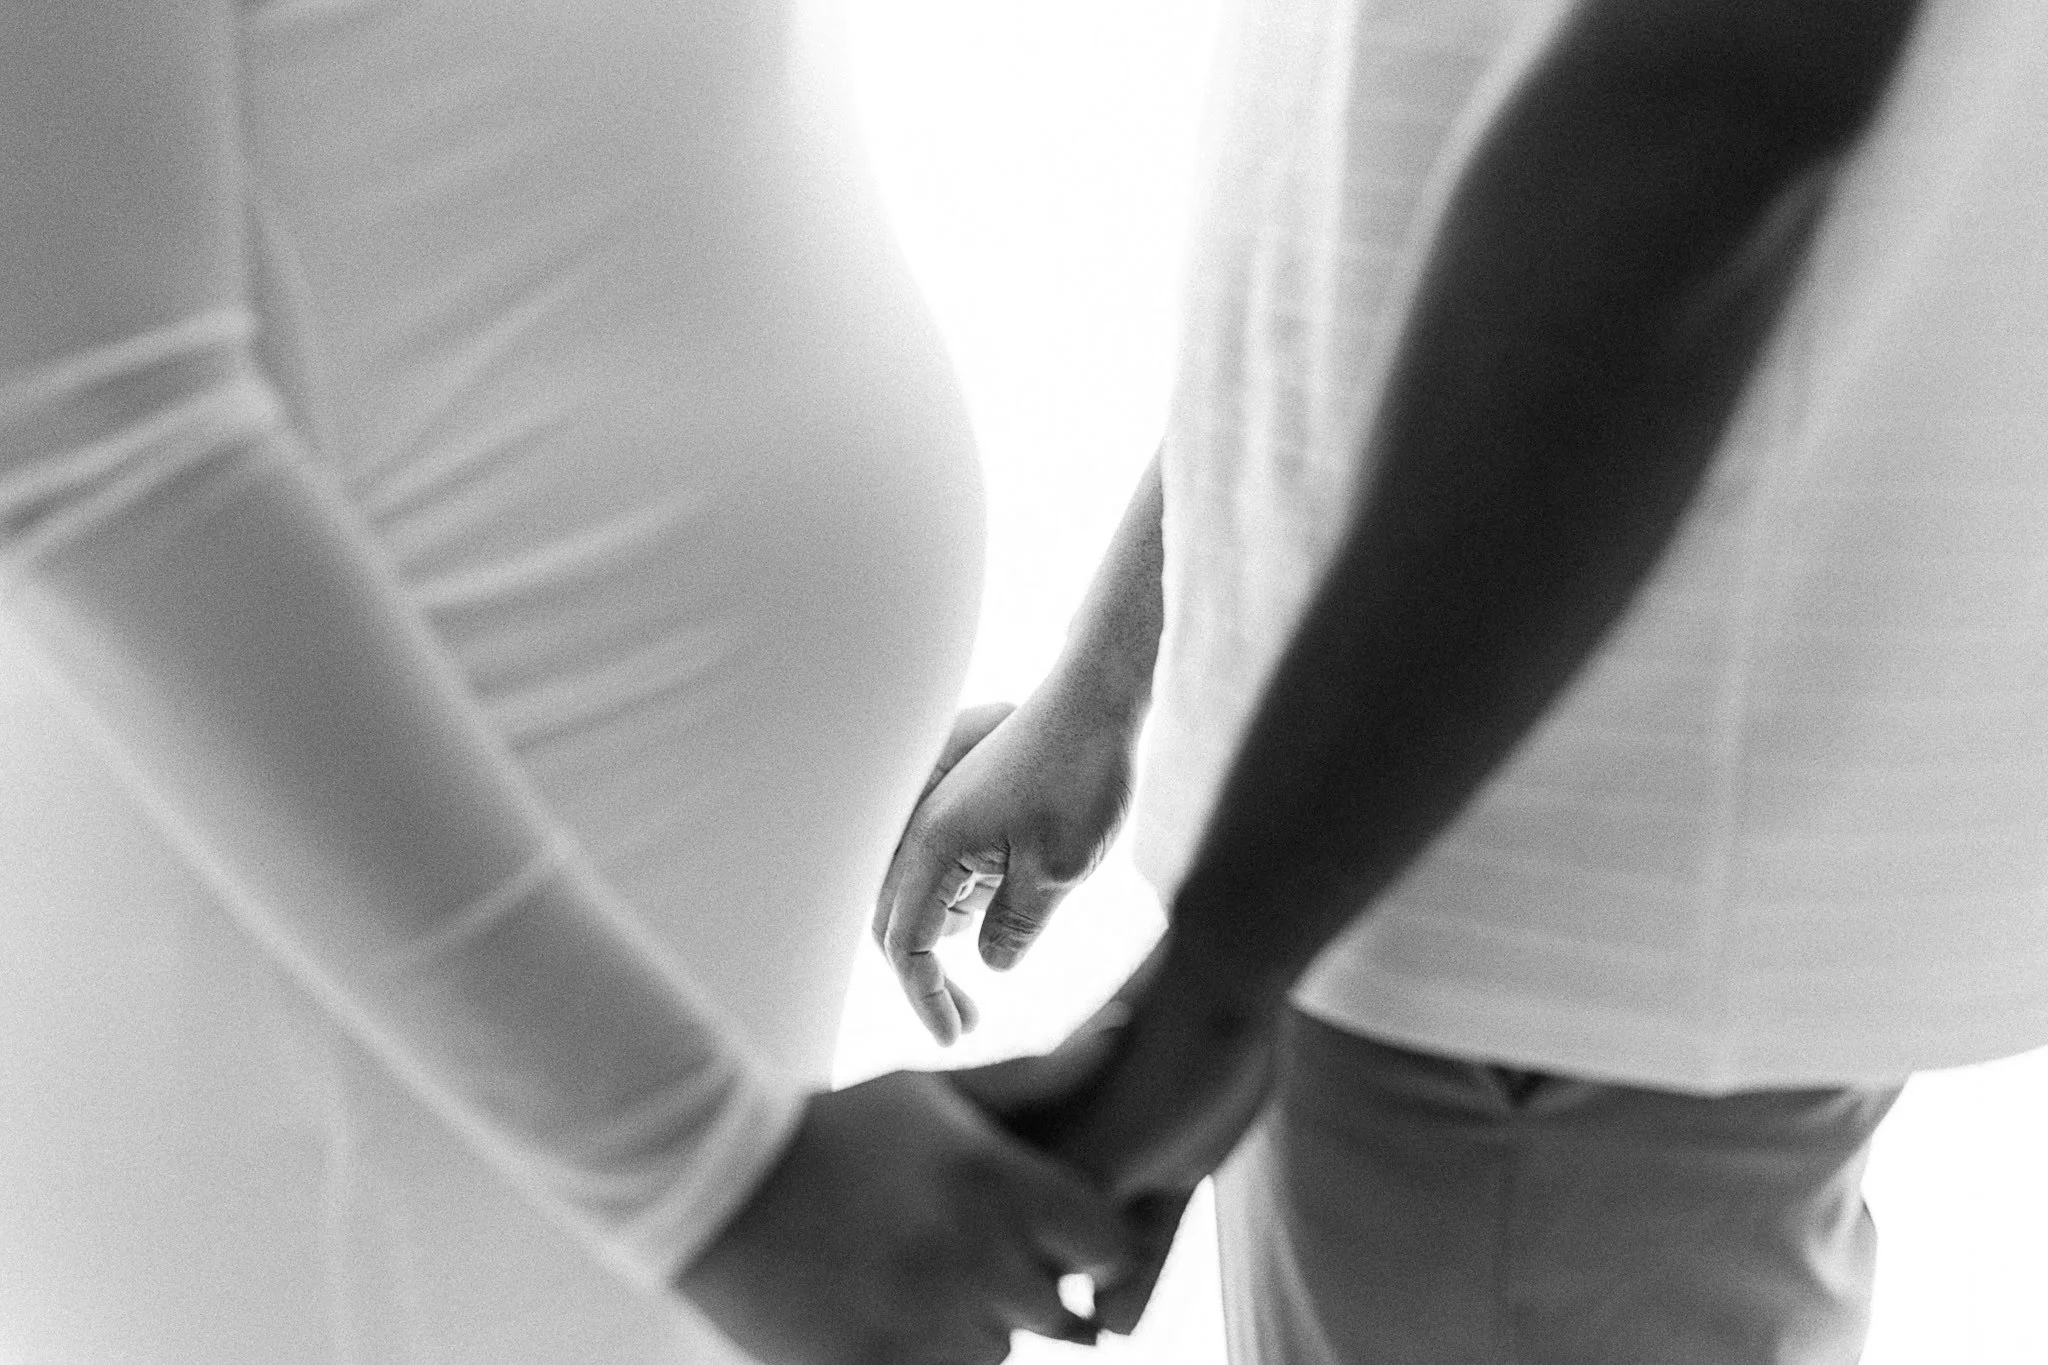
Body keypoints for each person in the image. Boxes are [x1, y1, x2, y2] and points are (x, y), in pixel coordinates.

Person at [877, 0, 2048, 1359]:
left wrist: (1214, 983)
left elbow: (1692, 124)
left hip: (1538, 902)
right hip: (1431, 857)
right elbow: (1426, 126)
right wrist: (1127, 667)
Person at [0, 2, 1131, 1363]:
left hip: (564, 936)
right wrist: (710, 1186)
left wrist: (801, 741)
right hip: (335, 1022)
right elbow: (85, 437)